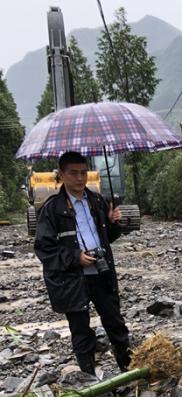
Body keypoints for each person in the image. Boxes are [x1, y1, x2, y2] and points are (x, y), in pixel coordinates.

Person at [34, 151, 131, 376]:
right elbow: (44, 248)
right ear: (62, 175)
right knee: (80, 330)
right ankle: (88, 378)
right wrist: (75, 257)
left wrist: (113, 224)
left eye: (83, 172)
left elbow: (107, 239)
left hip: (101, 273)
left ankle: (128, 369)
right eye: (73, 173)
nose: (80, 178)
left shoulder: (97, 201)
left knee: (115, 323)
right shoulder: (52, 208)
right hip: (72, 280)